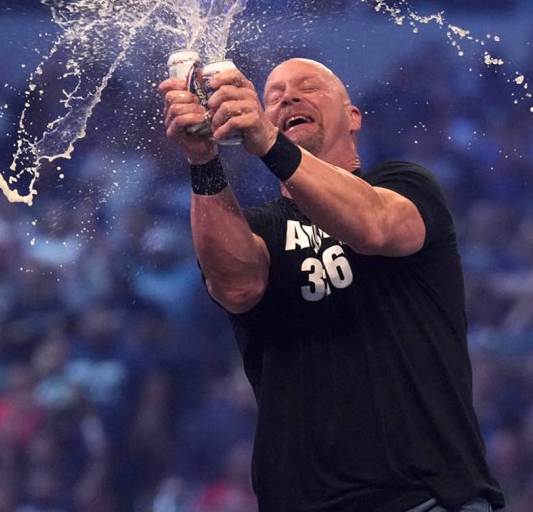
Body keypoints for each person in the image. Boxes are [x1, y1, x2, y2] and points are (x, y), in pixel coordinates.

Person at [159, 58, 505, 512]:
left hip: (425, 496)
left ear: (354, 115)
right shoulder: (259, 229)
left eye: (309, 87)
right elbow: (237, 288)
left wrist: (267, 141)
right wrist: (202, 159)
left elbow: (373, 226)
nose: (289, 98)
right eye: (275, 95)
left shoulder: (406, 185)